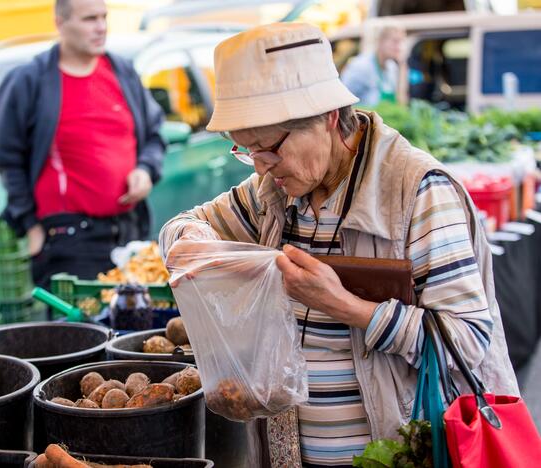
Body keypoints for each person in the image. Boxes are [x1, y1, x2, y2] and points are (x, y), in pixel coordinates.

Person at [160, 23, 518, 467]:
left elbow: (467, 344)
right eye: (245, 150)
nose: (261, 167)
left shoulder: (417, 193)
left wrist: (346, 305)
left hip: (401, 454)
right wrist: (194, 243)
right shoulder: (272, 192)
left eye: (269, 148)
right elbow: (180, 229)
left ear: (328, 117)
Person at [0, 0, 165, 291]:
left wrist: (145, 170)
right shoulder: (30, 81)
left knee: (134, 330)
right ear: (60, 22)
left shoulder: (122, 71)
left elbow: (155, 134)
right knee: (80, 334)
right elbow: (7, 158)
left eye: (104, 17)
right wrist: (30, 225)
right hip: (68, 240)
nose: (101, 27)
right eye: (89, 19)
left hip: (129, 229)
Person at [340, 23, 405, 106]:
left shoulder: (392, 67)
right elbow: (344, 101)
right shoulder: (360, 66)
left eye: (401, 41)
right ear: (380, 41)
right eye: (395, 41)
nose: (399, 47)